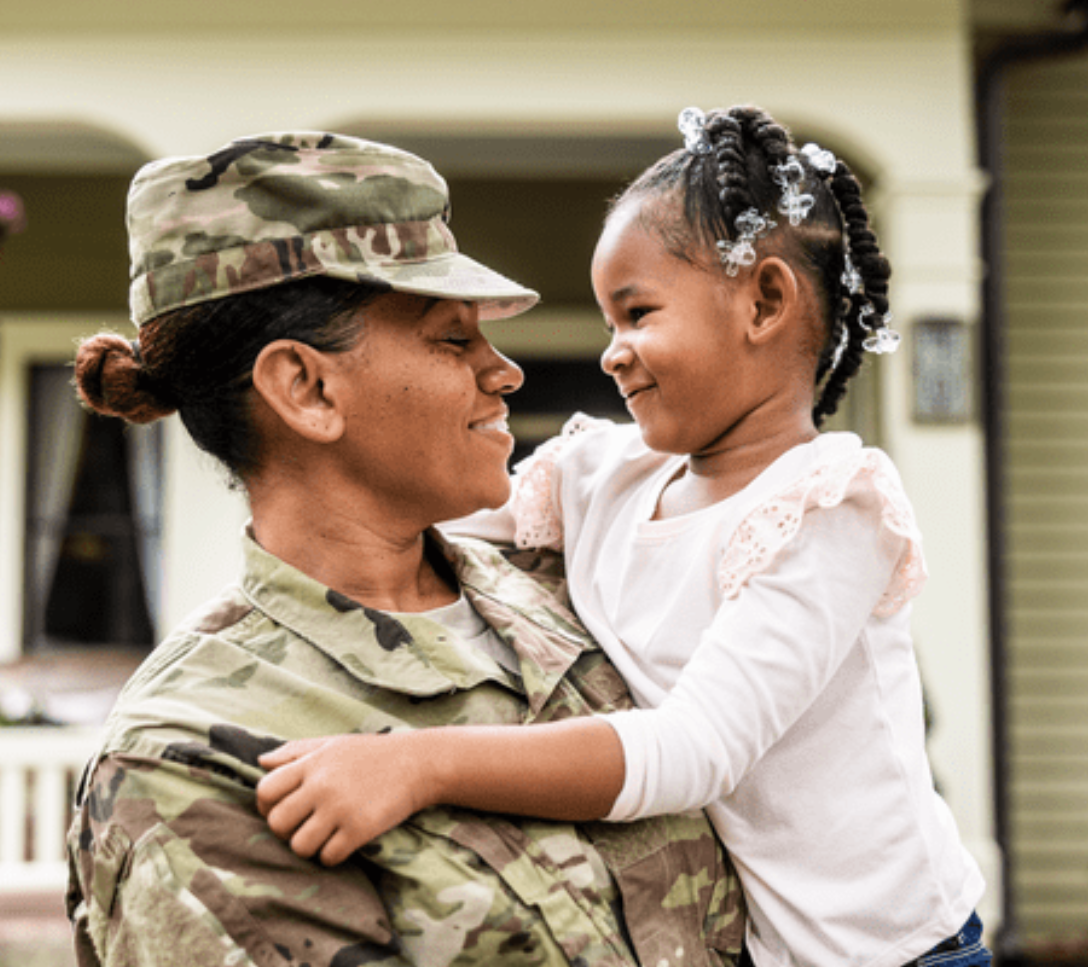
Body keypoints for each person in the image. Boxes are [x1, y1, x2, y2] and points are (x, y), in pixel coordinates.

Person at [255, 106, 989, 967]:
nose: (612, 353)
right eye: (608, 322)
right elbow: (407, 517)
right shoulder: (606, 474)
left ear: (764, 301)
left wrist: (419, 765)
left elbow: (693, 752)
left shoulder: (829, 509)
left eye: (637, 314)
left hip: (898, 951)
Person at [62, 131, 744, 967]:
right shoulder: (191, 761)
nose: (505, 371)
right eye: (453, 339)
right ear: (306, 389)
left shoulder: (575, 594)